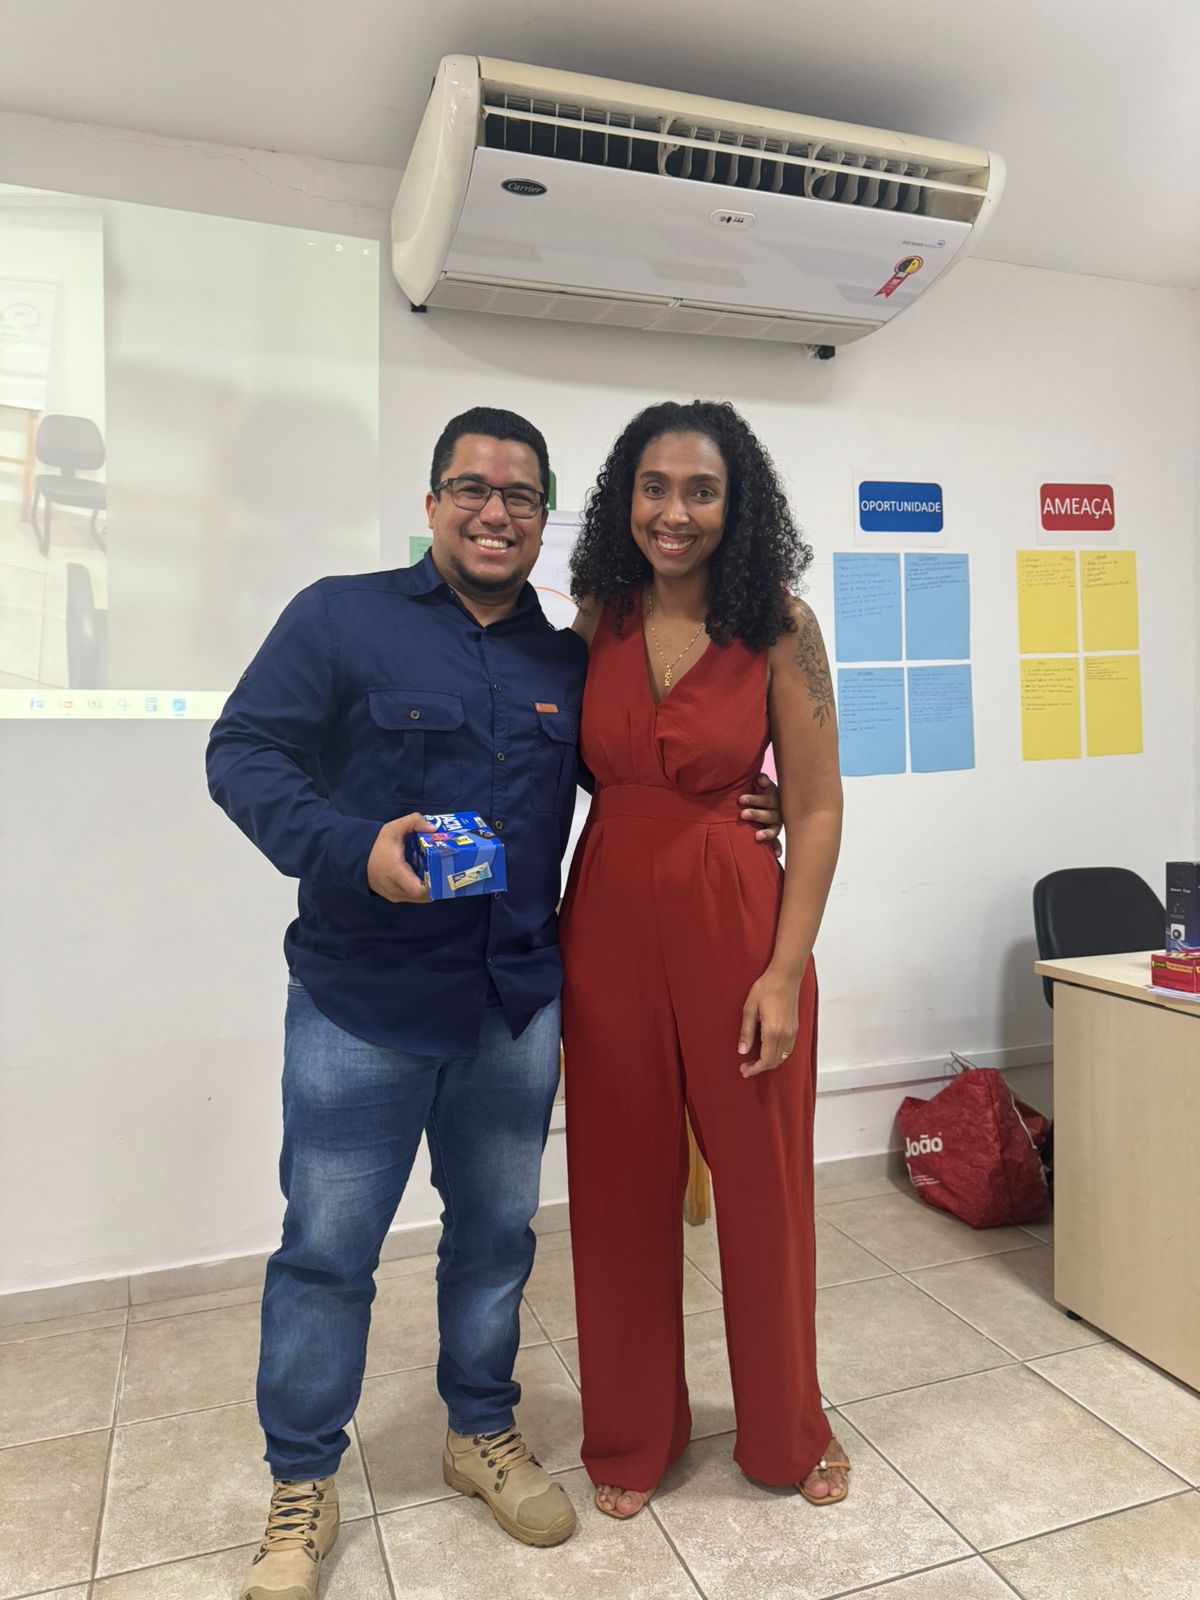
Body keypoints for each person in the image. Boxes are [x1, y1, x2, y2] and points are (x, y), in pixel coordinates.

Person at [205, 406, 783, 1600]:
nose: (493, 512)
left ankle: (480, 1430)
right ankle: (302, 1481)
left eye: (520, 496)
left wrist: (753, 800)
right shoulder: (340, 616)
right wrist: (352, 846)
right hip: (361, 1001)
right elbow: (243, 751)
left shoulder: (569, 657)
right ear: (432, 502)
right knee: (327, 1255)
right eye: (470, 488)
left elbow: (640, 774)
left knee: (495, 1241)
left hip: (512, 1004)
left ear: (545, 517)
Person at [560, 400, 849, 1521]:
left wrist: (783, 970)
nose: (674, 512)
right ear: (624, 499)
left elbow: (814, 807)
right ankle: (635, 1431)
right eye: (654, 487)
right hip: (608, 918)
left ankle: (788, 1428)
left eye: (701, 490)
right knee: (616, 1185)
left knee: (765, 1186)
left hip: (738, 923)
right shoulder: (599, 613)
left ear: (739, 505)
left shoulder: (779, 623)